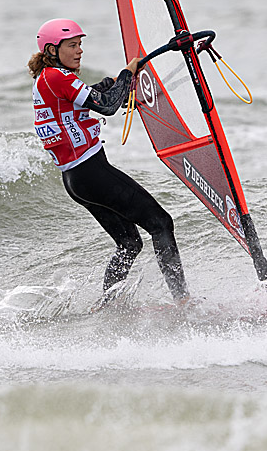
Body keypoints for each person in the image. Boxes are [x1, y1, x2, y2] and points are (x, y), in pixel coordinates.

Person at [28, 18, 189, 305]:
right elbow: (107, 106)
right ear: (52, 50)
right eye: (72, 45)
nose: (79, 51)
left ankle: (108, 306)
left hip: (76, 180)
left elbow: (90, 96)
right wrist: (127, 75)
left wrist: (113, 82)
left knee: (130, 243)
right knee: (161, 223)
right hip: (90, 172)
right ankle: (183, 301)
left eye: (80, 45)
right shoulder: (58, 77)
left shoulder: (47, 79)